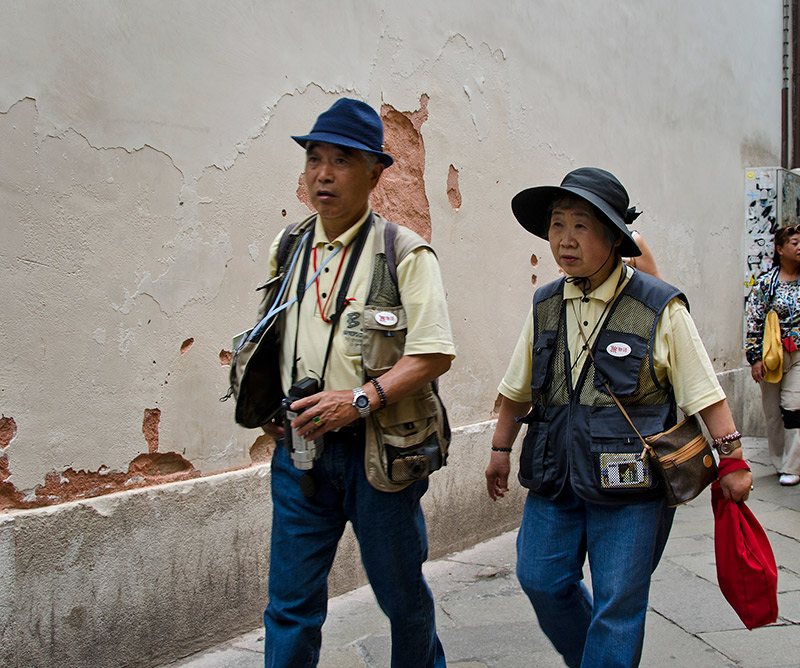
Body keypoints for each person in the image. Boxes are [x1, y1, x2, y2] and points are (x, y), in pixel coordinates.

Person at [485, 168, 752, 668]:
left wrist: (733, 459)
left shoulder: (658, 306)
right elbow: (517, 387)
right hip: (553, 473)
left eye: (580, 226)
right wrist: (500, 450)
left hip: (631, 480)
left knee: (618, 602)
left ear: (613, 236)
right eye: (557, 225)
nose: (564, 239)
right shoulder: (545, 303)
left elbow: (704, 393)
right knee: (540, 577)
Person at [257, 98, 454, 667]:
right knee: (290, 604)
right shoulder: (288, 248)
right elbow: (274, 335)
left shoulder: (404, 252)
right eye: (314, 158)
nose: (322, 172)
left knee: (400, 596)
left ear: (375, 172)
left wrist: (360, 399)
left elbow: (434, 352)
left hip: (380, 456)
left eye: (341, 160)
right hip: (300, 452)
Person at [746, 224, 800, 486]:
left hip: (799, 355)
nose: (799, 247)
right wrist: (755, 358)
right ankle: (779, 462)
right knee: (772, 413)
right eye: (795, 242)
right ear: (780, 249)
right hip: (771, 357)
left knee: (794, 409)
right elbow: (754, 321)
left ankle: (792, 466)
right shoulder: (766, 283)